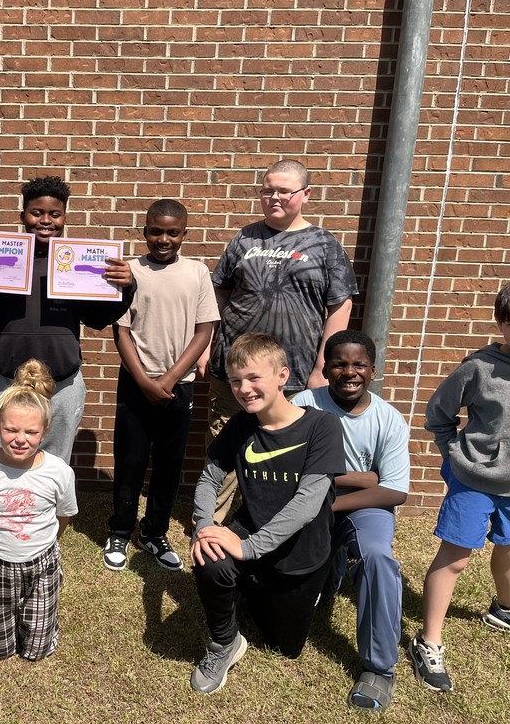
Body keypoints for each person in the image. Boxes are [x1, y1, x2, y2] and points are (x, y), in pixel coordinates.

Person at [189, 333, 344, 694]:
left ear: (282, 376)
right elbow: (209, 478)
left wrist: (250, 548)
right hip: (253, 537)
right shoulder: (242, 425)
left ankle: (309, 583)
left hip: (301, 554)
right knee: (209, 557)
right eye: (236, 380)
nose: (244, 388)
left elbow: (308, 503)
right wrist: (204, 525)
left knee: (283, 647)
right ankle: (225, 642)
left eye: (254, 378)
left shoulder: (322, 427)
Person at [0, 175, 134, 463]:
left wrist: (126, 287)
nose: (46, 220)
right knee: (8, 463)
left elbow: (97, 319)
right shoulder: (0, 260)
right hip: (8, 383)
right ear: (23, 215)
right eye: (37, 212)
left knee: (55, 465)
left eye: (54, 214)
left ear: (65, 217)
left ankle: (53, 512)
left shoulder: (75, 264)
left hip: (63, 384)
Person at [206, 160, 357, 523]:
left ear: (305, 195)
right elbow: (219, 294)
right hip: (234, 367)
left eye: (284, 191)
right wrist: (208, 345)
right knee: (224, 441)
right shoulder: (244, 238)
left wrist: (323, 366)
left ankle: (269, 519)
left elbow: (340, 304)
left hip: (290, 372)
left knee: (281, 448)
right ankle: (213, 520)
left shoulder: (324, 245)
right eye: (267, 190)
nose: (274, 197)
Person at [292, 330, 409, 711]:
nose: (349, 371)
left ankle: (379, 668)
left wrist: (329, 500)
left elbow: (392, 491)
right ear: (325, 369)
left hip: (364, 506)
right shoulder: (304, 404)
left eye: (359, 364)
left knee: (376, 556)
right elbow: (287, 466)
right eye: (339, 363)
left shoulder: (388, 419)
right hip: (306, 499)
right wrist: (360, 475)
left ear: (373, 371)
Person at [104, 199, 218, 572]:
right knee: (131, 459)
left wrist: (168, 379)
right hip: (136, 381)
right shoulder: (130, 271)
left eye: (172, 232)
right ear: (145, 231)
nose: (163, 239)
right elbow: (121, 330)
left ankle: (153, 532)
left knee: (169, 464)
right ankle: (120, 529)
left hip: (178, 385)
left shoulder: (197, 273)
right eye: (156, 231)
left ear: (185, 234)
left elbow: (204, 331)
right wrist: (143, 380)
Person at [411, 283, 510, 693]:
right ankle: (428, 640)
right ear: (503, 323)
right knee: (456, 558)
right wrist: (455, 456)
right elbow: (439, 413)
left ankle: (504, 608)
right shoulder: (478, 369)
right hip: (474, 479)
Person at [0, 359, 78, 660]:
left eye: (31, 432)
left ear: (45, 430)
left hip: (42, 562)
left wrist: (44, 542)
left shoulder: (59, 472)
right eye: (11, 429)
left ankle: (38, 626)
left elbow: (62, 517)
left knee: (38, 649)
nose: (21, 439)